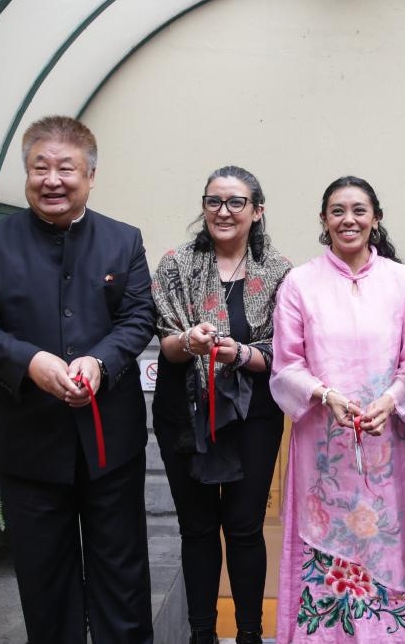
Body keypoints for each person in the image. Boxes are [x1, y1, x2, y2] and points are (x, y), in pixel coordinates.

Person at [0, 115, 154, 643]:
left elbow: (138, 318)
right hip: (29, 443)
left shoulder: (123, 240)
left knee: (123, 576)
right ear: (27, 174)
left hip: (111, 440)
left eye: (66, 168)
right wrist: (30, 363)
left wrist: (101, 362)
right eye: (40, 167)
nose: (52, 179)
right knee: (44, 581)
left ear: (90, 175)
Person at [269, 176, 405, 643]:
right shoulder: (299, 282)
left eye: (359, 210)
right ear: (323, 220)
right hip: (323, 447)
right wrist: (326, 396)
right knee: (323, 545)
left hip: (387, 440)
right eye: (338, 210)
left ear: (376, 219)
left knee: (386, 540)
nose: (349, 219)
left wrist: (389, 401)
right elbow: (287, 365)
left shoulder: (402, 281)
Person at [150, 165, 291, 644]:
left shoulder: (280, 272)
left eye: (236, 202)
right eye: (214, 201)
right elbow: (166, 342)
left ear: (257, 211)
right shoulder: (176, 264)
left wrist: (245, 353)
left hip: (252, 416)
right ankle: (202, 634)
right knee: (197, 527)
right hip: (185, 413)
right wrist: (190, 340)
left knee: (245, 526)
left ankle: (250, 633)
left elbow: (287, 351)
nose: (224, 212)